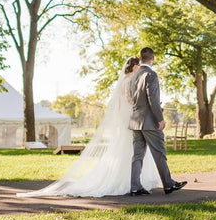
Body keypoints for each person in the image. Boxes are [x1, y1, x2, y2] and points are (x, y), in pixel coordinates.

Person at [17, 57, 160, 197]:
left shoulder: (125, 80)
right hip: (131, 116)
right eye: (138, 65)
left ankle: (132, 181)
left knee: (130, 147)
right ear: (133, 66)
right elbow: (129, 100)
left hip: (127, 116)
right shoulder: (129, 80)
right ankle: (128, 180)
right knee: (132, 148)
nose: (139, 68)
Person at [129, 47, 187, 196]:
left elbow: (135, 99)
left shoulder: (134, 76)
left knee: (137, 155)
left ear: (141, 59)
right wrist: (160, 118)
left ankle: (135, 187)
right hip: (149, 121)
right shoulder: (151, 74)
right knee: (159, 152)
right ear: (153, 58)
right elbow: (152, 99)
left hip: (135, 120)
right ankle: (168, 185)